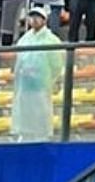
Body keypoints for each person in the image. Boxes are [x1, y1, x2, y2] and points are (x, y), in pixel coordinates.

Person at [9, 8, 63, 141]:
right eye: (32, 16)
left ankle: (41, 137)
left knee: (40, 112)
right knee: (25, 112)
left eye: (37, 17)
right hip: (24, 85)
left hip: (41, 85)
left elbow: (57, 64)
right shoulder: (25, 39)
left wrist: (49, 80)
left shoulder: (51, 40)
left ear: (44, 20)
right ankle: (25, 135)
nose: (34, 20)